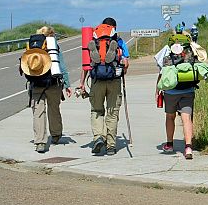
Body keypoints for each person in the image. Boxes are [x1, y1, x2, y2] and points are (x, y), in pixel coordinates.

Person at [79, 17, 130, 156]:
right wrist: (122, 70)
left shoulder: (93, 41)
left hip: (96, 81)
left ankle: (98, 138)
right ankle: (111, 146)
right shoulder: (118, 41)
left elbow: (85, 66)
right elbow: (125, 63)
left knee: (96, 110)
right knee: (112, 113)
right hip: (114, 80)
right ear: (114, 28)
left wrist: (82, 84)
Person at [23, 26, 72, 153]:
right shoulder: (53, 47)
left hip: (36, 84)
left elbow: (25, 66)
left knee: (38, 112)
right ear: (52, 35)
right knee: (54, 109)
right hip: (53, 83)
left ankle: (40, 142)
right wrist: (67, 84)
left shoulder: (33, 47)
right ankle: (56, 135)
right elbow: (61, 66)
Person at [154, 36, 196, 159]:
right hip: (188, 91)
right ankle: (188, 147)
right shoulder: (190, 58)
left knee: (170, 117)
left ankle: (169, 144)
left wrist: (157, 90)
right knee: (186, 118)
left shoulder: (167, 59)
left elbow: (162, 75)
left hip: (171, 93)